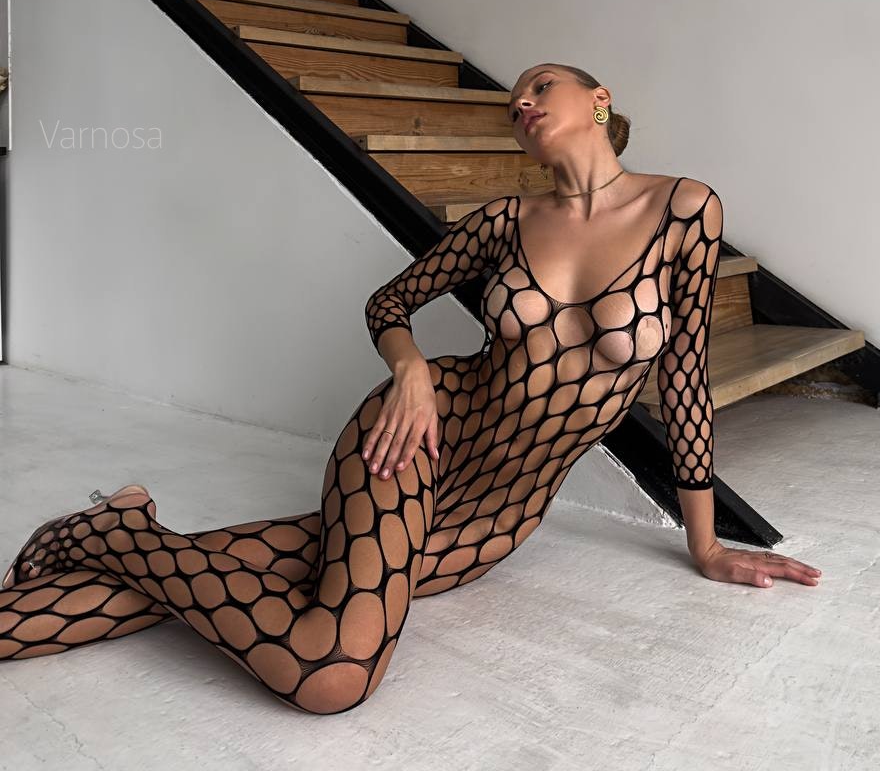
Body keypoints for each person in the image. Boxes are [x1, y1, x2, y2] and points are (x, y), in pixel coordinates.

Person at [0, 62, 821, 711]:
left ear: (598, 101)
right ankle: (115, 531)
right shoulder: (505, 220)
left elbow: (684, 376)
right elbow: (387, 304)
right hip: (418, 436)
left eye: (542, 86)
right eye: (515, 102)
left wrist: (705, 544)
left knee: (273, 577)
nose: (523, 102)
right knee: (332, 669)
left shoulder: (684, 208)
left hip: (498, 511)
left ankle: (113, 533)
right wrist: (413, 371)